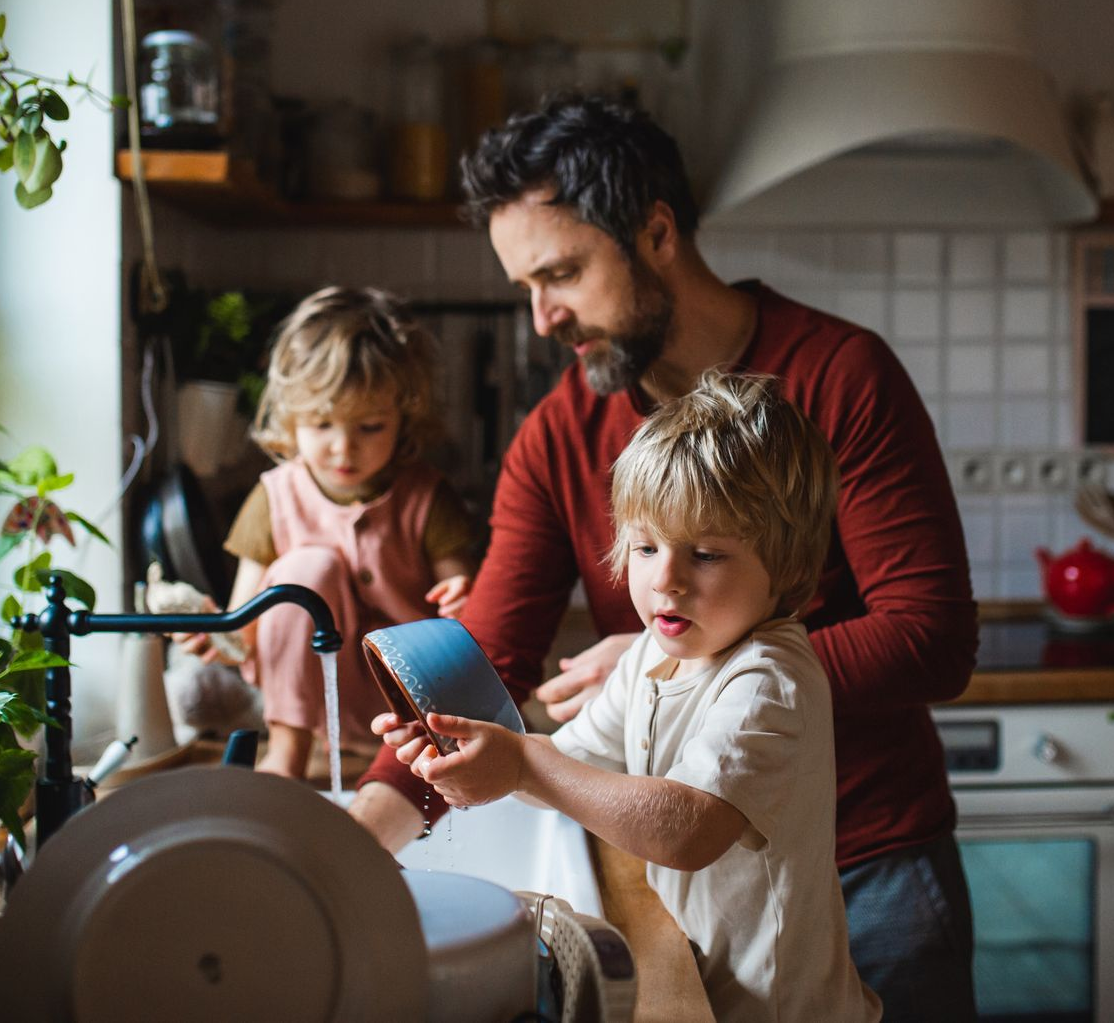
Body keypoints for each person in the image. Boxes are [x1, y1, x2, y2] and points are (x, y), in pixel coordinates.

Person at [356, 95, 978, 1020]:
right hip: (690, 896)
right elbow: (480, 663)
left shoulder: (841, 377)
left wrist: (694, 668)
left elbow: (930, 634)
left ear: (655, 234)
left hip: (869, 867)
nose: (542, 318)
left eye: (561, 272)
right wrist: (361, 837)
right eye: (526, 285)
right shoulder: (560, 431)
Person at [383, 371, 881, 1023]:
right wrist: (478, 759)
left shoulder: (768, 681)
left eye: (704, 554)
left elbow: (689, 829)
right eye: (645, 547)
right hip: (708, 983)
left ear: (785, 567)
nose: (664, 579)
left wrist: (526, 763)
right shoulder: (654, 652)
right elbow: (573, 767)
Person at [177, 286, 479, 779]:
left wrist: (464, 599)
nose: (344, 448)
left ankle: (402, 757)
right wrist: (217, 631)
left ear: (404, 418)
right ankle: (287, 754)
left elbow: (467, 602)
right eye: (321, 425)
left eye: (370, 427)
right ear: (292, 420)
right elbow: (244, 624)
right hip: (313, 706)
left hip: (413, 704)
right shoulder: (273, 497)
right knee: (304, 570)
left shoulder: (426, 497)